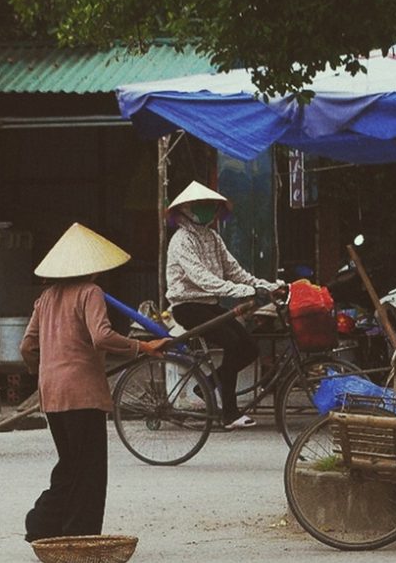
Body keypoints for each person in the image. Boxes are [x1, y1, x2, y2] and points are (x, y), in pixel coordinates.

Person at [20, 222, 170, 542]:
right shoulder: (90, 293)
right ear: (94, 268)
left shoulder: (45, 298)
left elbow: (27, 347)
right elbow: (101, 336)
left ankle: (42, 523)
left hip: (53, 393)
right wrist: (142, 346)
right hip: (83, 395)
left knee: (70, 464)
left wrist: (44, 373)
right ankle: (79, 533)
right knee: (89, 469)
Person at [164, 181, 282, 429]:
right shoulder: (181, 240)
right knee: (231, 343)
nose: (208, 210)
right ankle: (229, 413)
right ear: (186, 208)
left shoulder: (213, 237)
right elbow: (202, 279)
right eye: (202, 205)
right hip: (188, 306)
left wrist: (268, 286)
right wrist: (244, 291)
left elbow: (235, 271)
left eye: (211, 206)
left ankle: (207, 383)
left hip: (209, 304)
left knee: (249, 347)